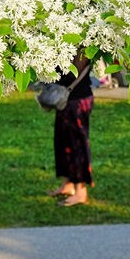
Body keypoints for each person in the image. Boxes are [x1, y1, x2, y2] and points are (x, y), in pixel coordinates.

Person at [47, 54, 93, 207]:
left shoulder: (85, 45)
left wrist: (52, 75)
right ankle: (67, 184)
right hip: (69, 99)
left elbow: (73, 72)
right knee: (62, 141)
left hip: (78, 100)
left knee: (76, 145)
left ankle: (80, 191)